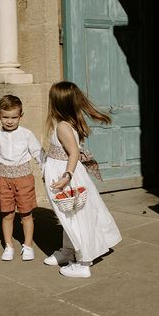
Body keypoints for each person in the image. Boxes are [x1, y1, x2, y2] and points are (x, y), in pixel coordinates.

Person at [43, 81, 122, 278]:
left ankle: (84, 262)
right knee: (67, 217)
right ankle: (67, 251)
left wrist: (66, 176)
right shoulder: (66, 124)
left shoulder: (62, 126)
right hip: (64, 175)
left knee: (77, 218)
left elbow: (74, 153)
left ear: (57, 103)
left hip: (67, 178)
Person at [0, 95, 44, 261]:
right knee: (7, 214)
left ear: (21, 116)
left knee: (26, 214)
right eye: (5, 117)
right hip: (3, 180)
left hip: (24, 179)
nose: (10, 121)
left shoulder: (27, 135)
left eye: (14, 117)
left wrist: (46, 171)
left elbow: (38, 154)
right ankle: (8, 245)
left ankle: (28, 245)